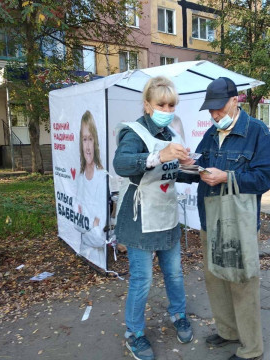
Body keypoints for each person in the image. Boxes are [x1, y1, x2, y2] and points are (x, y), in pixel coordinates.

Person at [195, 77, 270, 360]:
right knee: (215, 278)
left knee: (242, 281)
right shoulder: (209, 134)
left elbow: (265, 179)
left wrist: (228, 176)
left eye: (219, 108)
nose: (215, 114)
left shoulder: (257, 132)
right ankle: (228, 331)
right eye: (210, 110)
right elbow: (200, 170)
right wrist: (184, 166)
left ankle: (251, 349)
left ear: (235, 100)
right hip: (210, 218)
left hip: (238, 223)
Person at [113, 76, 195, 360]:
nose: (167, 109)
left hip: (167, 214)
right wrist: (159, 156)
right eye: (161, 104)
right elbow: (121, 165)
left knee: (174, 272)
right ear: (147, 104)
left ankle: (178, 314)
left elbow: (173, 174)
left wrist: (194, 169)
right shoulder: (133, 132)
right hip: (140, 219)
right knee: (142, 279)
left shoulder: (172, 135)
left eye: (172, 105)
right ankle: (133, 333)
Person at [75, 110, 107, 266]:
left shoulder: (103, 177)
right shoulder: (80, 178)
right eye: (84, 139)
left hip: (99, 258)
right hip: (84, 253)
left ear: (96, 142)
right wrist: (90, 223)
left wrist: (85, 226)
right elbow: (76, 221)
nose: (87, 146)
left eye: (90, 139)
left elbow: (100, 236)